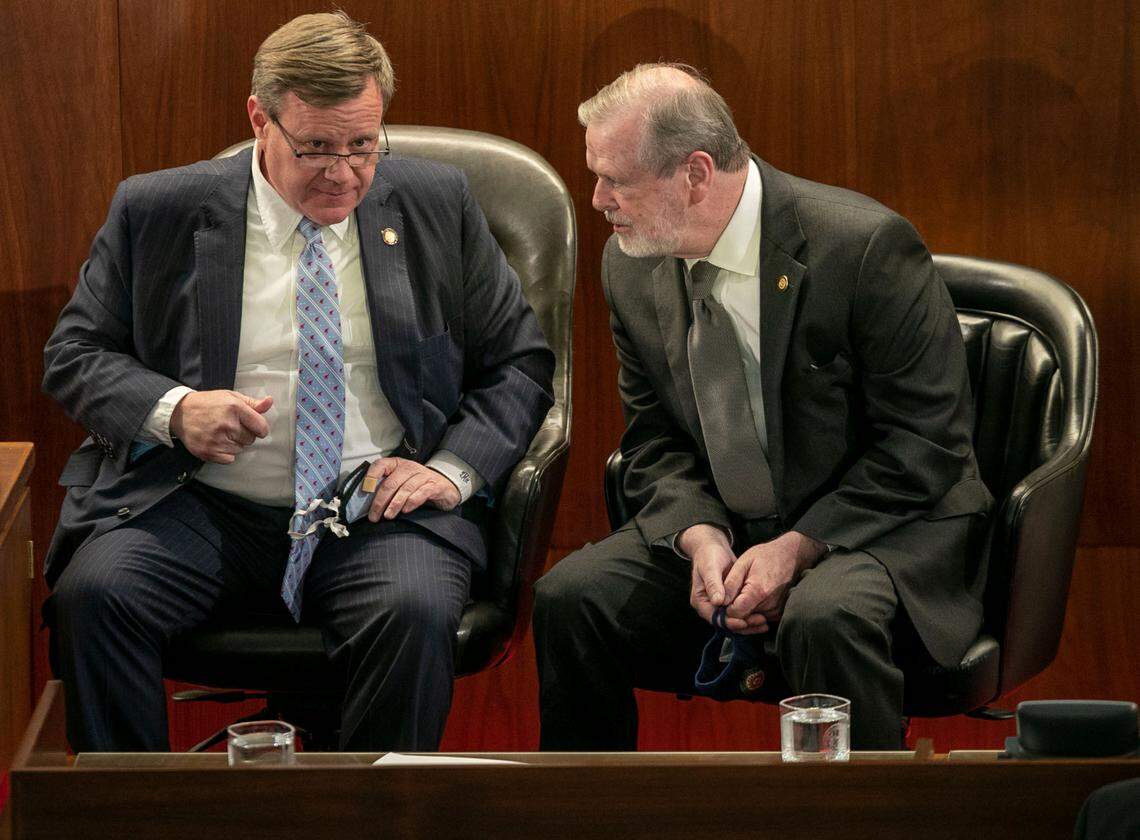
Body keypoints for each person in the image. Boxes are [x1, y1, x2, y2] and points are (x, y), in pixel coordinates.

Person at [42, 11, 554, 753]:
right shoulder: (158, 209)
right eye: (315, 147)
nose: (343, 172)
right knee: (96, 598)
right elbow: (75, 352)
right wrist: (175, 410)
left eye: (364, 145)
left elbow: (519, 361)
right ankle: (137, 817)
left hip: (374, 504)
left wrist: (448, 470)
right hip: (201, 502)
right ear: (261, 119)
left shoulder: (436, 204)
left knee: (412, 610)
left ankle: (373, 820)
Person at [534, 63, 991, 750]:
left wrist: (799, 547)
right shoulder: (629, 265)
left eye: (616, 180)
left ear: (693, 174)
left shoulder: (862, 247)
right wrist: (699, 534)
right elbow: (654, 437)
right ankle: (587, 818)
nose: (596, 199)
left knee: (824, 615)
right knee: (571, 600)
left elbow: (926, 443)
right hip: (735, 527)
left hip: (883, 524)